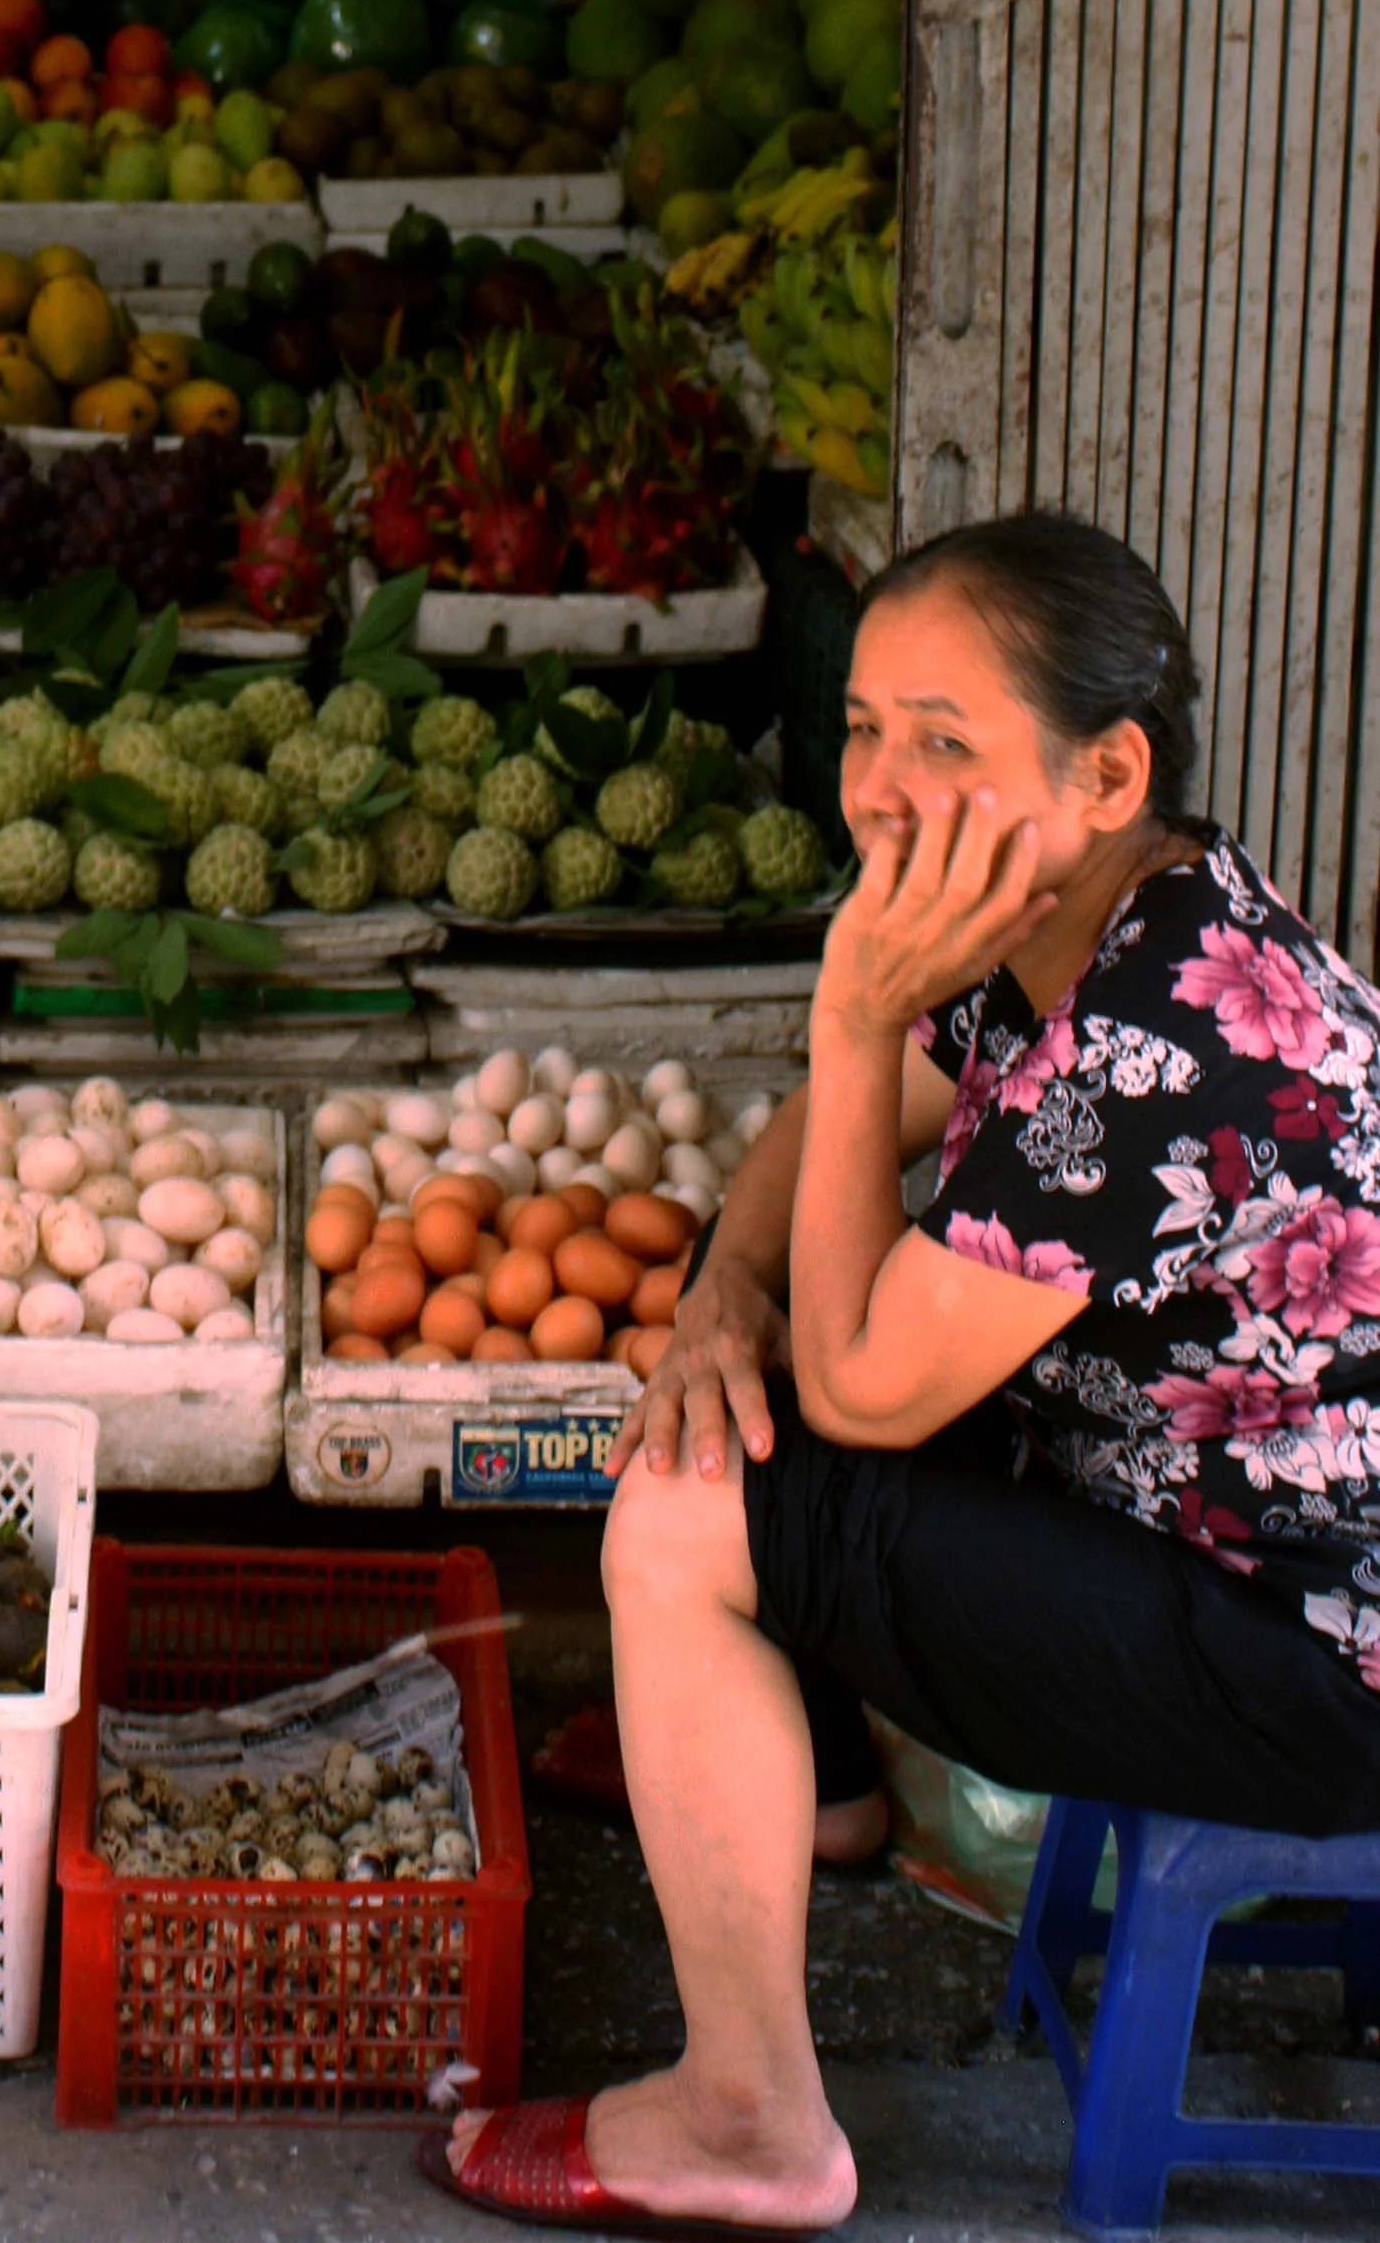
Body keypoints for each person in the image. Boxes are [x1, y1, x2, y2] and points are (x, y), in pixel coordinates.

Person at [426, 512, 1380, 2232]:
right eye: (863, 725)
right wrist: (719, 1290)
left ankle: (749, 2123)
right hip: (1201, 1527)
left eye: (943, 740)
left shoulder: (1164, 1028)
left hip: (1312, 1660)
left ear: (1105, 770)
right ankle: (822, 1791)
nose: (878, 782)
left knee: (684, 1512)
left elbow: (872, 1390)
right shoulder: (1102, 905)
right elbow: (827, 1144)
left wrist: (848, 1017)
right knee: (746, 1376)